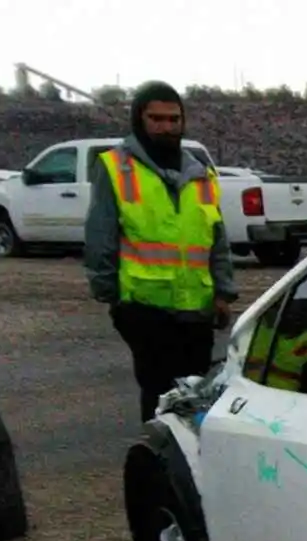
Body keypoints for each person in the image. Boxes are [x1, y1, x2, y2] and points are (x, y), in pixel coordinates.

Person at [85, 80, 236, 423]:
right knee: (158, 395)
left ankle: (190, 463)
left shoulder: (200, 173)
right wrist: (112, 296)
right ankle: (158, 464)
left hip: (196, 309)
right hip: (145, 308)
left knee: (195, 393)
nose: (167, 127)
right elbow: (100, 236)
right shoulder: (115, 168)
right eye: (157, 119)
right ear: (140, 120)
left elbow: (216, 236)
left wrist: (223, 291)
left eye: (173, 119)